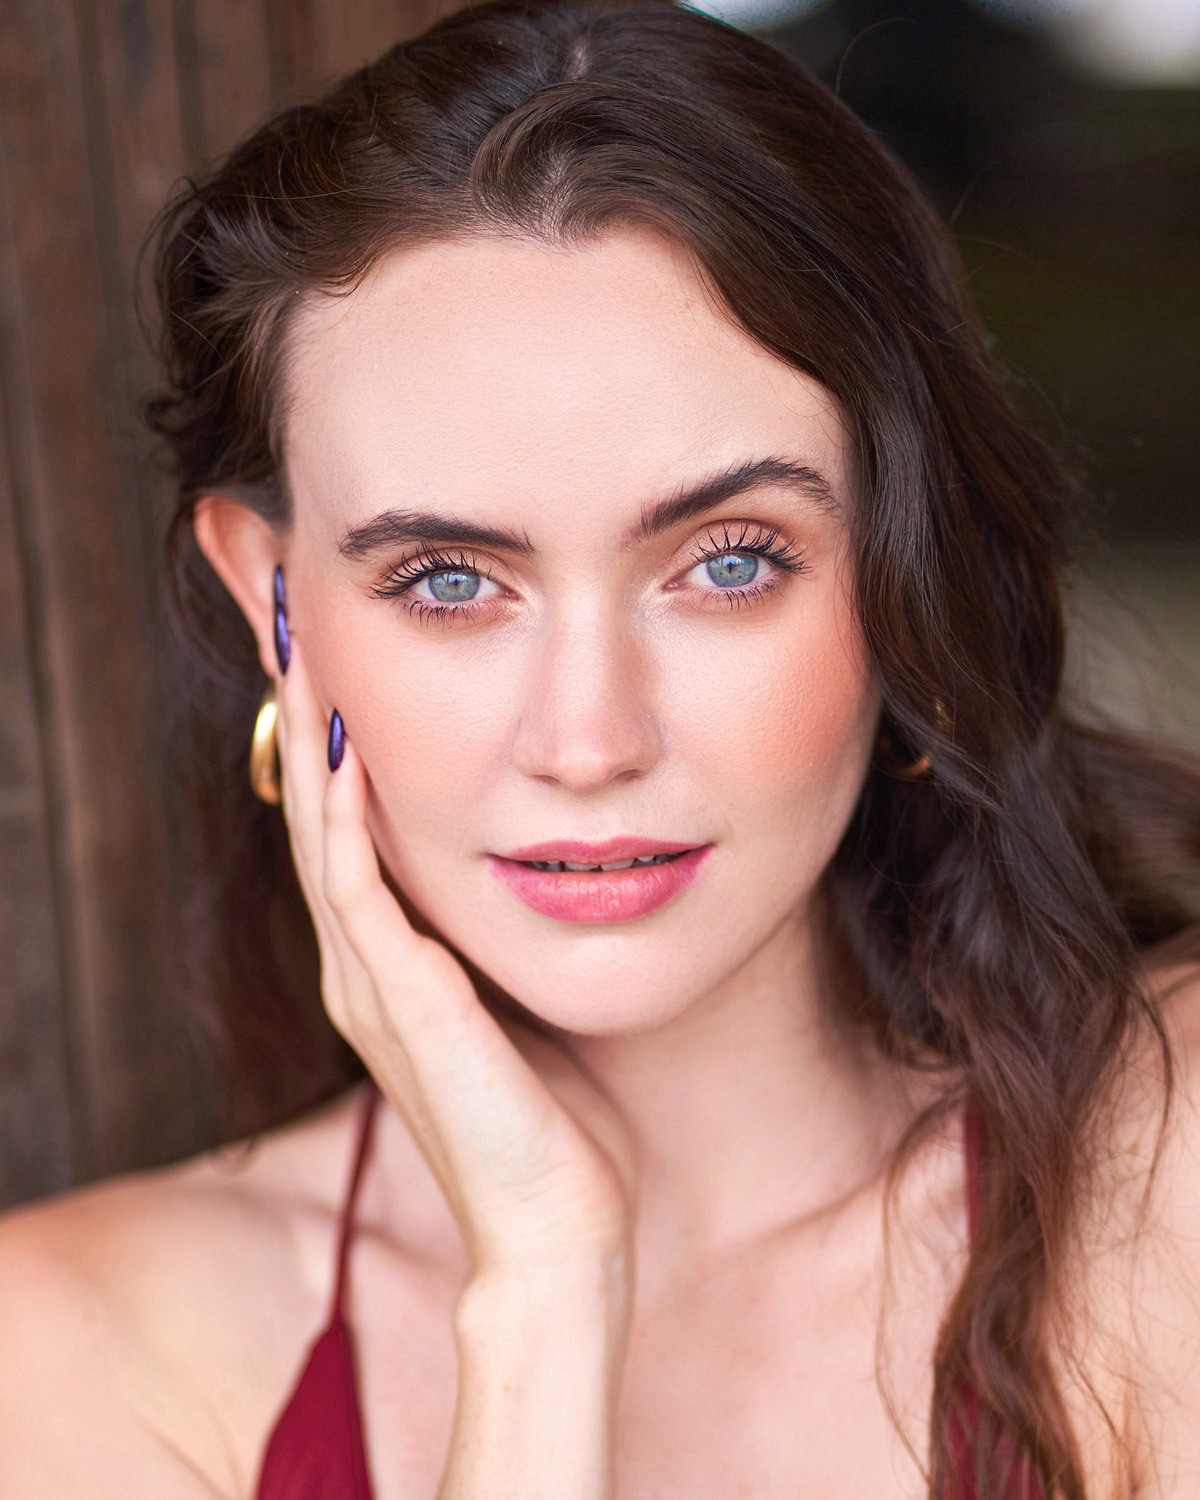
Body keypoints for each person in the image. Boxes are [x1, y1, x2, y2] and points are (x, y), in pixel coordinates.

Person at [1, 0, 1199, 1494]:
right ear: (272, 595)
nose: (587, 740)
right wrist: (541, 1301)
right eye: (449, 581)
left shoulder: (1172, 1160)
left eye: (730, 559)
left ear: (906, 569)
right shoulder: (82, 1349)